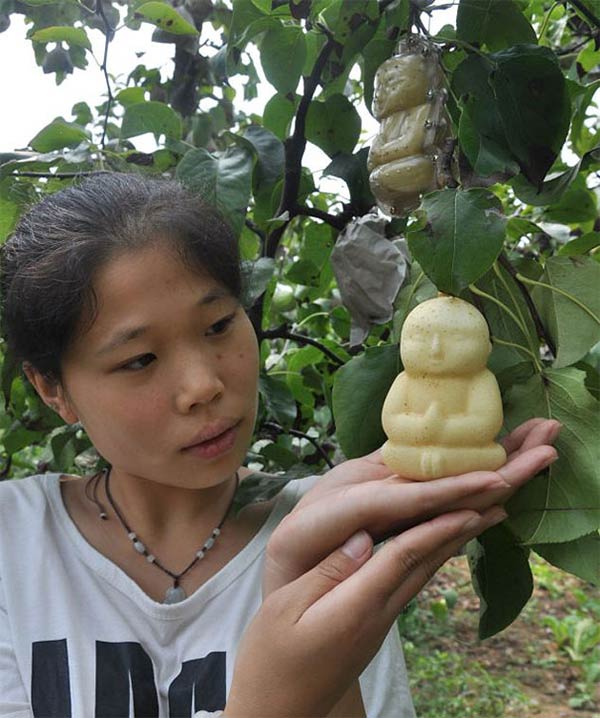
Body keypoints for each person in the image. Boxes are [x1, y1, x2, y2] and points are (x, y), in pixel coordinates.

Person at [0, 172, 559, 718]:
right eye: (139, 359)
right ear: (52, 390)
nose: (204, 386)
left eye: (219, 325)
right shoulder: (12, 546)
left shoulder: (327, 539)